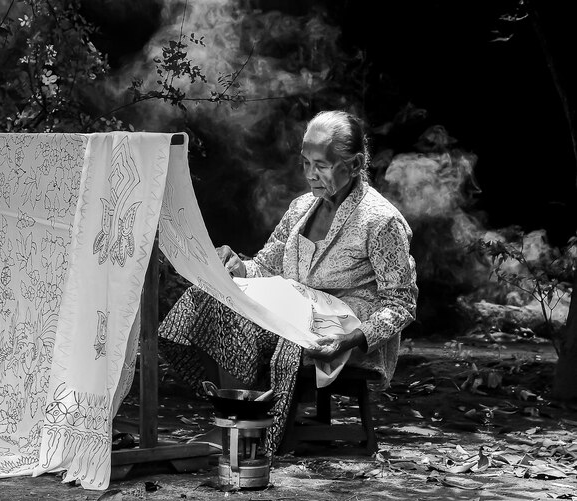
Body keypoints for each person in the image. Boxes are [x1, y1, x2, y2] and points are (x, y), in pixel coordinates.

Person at [157, 110, 418, 454]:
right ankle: (231, 418)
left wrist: (350, 339)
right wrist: (239, 267)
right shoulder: (301, 208)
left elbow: (401, 304)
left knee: (251, 326)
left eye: (321, 165)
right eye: (306, 163)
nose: (311, 174)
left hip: (343, 329)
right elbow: (267, 263)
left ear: (354, 165)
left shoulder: (380, 220)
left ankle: (245, 426)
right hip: (294, 312)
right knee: (211, 298)